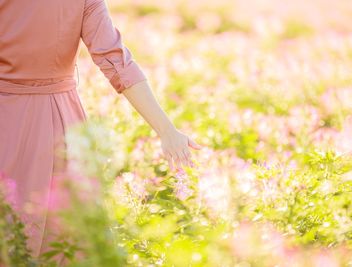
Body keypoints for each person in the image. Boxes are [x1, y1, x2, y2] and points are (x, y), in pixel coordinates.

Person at [0, 0, 202, 263]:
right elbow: (117, 60)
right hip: (63, 124)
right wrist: (166, 130)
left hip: (9, 117)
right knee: (65, 238)